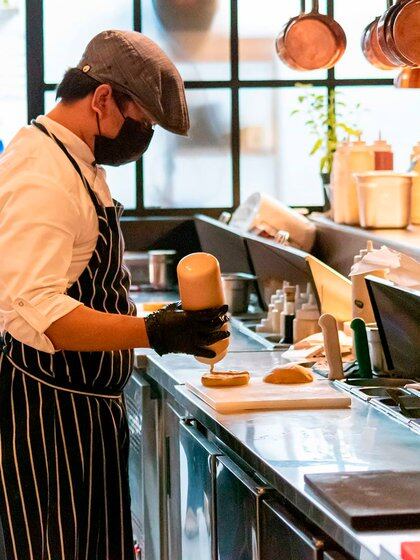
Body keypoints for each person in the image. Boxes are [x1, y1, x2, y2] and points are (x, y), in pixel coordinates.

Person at [0, 30, 229, 560]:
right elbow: (41, 315)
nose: (142, 138)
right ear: (102, 98)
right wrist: (153, 332)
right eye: (142, 122)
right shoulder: (44, 176)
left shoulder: (72, 159)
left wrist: (150, 321)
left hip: (82, 410)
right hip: (47, 418)